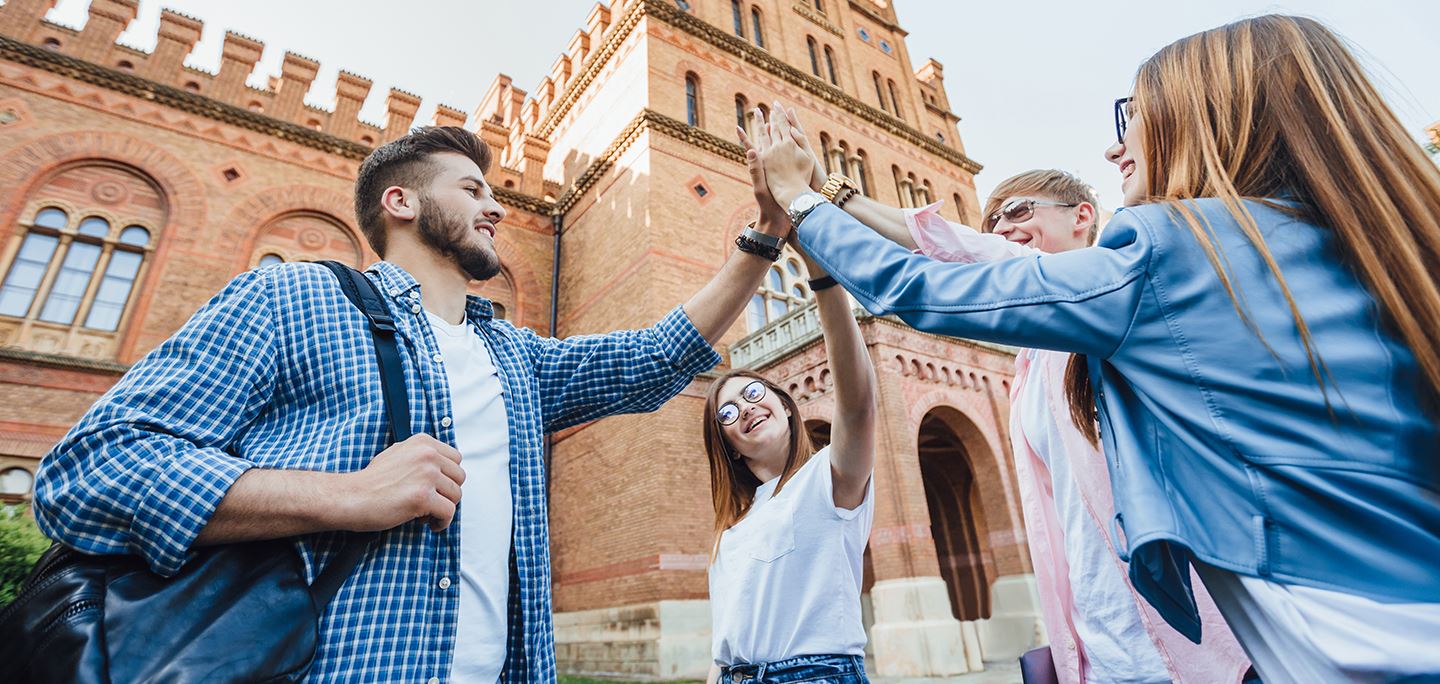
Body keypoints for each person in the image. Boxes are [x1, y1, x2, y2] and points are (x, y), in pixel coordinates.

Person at [754, 14, 1440, 684]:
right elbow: (963, 248)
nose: (1114, 149)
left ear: (1206, 116)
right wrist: (834, 192)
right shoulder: (1360, 249)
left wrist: (798, 197)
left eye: (1131, 115)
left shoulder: (1171, 249)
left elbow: (923, 286)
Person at [33, 126, 797, 682]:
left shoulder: (517, 357)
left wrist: (765, 231)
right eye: (472, 191)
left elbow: (655, 357)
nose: (495, 208)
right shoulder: (294, 296)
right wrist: (346, 497)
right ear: (399, 201)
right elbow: (91, 470)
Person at [773, 140, 1248, 682]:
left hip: (1187, 641)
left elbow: (962, 259)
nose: (1001, 226)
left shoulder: (1119, 283)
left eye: (1019, 211)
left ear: (1083, 217)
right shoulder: (1033, 358)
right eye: (992, 218)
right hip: (1101, 647)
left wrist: (819, 197)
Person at [700, 108, 877, 684]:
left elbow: (855, 403)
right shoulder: (732, 529)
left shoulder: (830, 480)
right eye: (728, 412)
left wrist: (821, 272)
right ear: (728, 445)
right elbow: (723, 641)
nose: (744, 408)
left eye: (753, 393)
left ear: (784, 403)